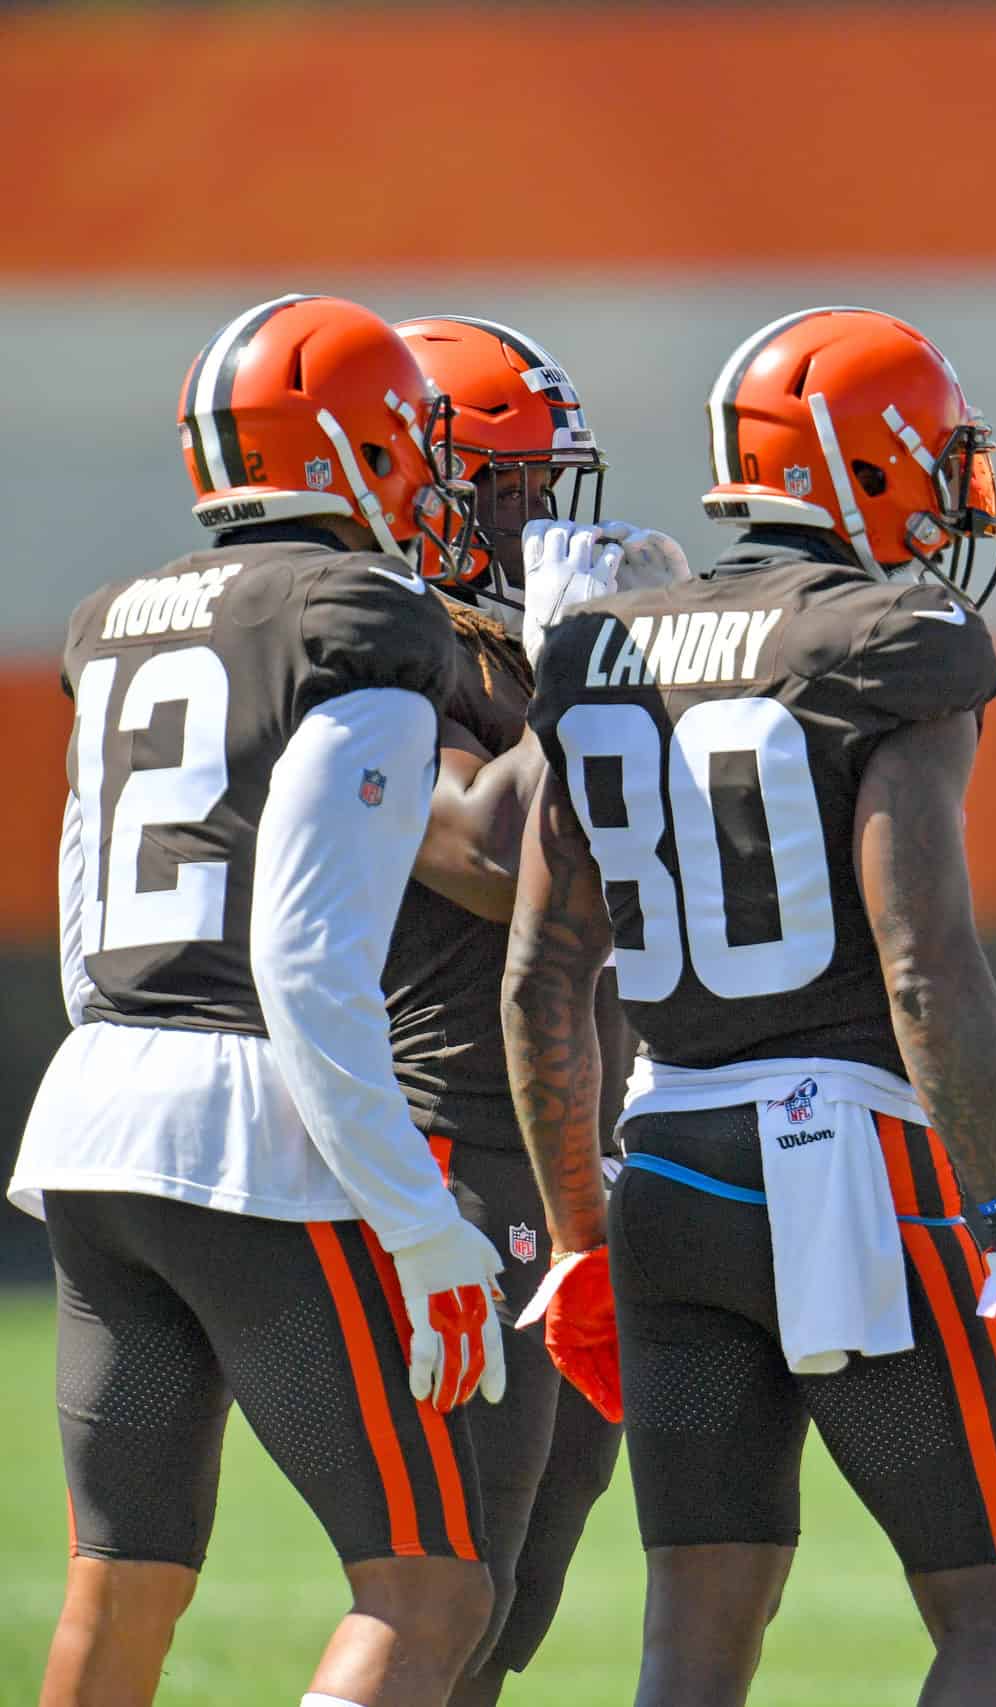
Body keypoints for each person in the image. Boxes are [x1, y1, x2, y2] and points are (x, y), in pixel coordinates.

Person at [500, 305, 996, 1707]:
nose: (956, 494)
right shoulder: (897, 632)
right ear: (869, 461)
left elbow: (542, 973)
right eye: (936, 458)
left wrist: (582, 1238)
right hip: (841, 1166)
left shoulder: (600, 646)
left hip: (664, 1165)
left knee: (696, 1634)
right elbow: (921, 963)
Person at [13, 294, 507, 1707]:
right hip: (249, 1134)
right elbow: (304, 957)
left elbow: (81, 917)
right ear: (351, 446)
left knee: (125, 1579)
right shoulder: (362, 620)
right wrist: (418, 1221)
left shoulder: (120, 618)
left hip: (95, 1107)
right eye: (408, 443)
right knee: (430, 1586)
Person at [389, 312, 685, 1705]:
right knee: (458, 1576)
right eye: (500, 480)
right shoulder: (381, 643)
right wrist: (578, 679)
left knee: (524, 1585)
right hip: (453, 1125)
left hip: (566, 1132)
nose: (532, 512)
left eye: (540, 479)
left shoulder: (496, 648)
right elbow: (482, 858)